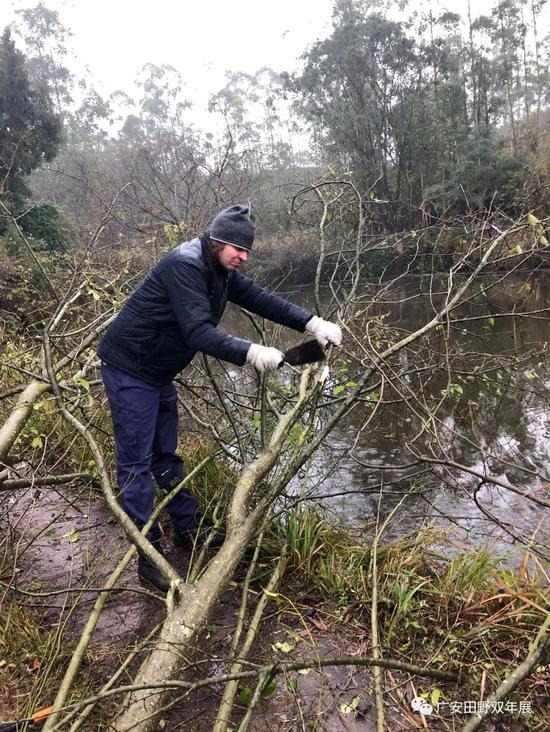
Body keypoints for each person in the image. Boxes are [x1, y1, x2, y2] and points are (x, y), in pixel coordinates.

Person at [98, 204, 342, 590]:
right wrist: (251, 352)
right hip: (130, 369)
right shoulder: (186, 265)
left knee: (166, 454)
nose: (242, 257)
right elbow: (196, 331)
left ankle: (187, 529)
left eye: (247, 251)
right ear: (215, 240)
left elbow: (261, 300)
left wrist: (312, 322)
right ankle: (149, 559)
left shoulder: (221, 271)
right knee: (135, 465)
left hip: (157, 372)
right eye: (236, 249)